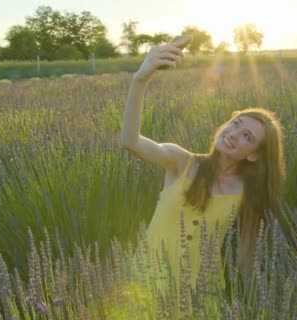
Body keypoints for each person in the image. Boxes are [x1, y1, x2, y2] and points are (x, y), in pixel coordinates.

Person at [119, 35, 288, 301]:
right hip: (147, 290)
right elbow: (130, 142)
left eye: (247, 136)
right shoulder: (182, 162)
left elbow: (245, 260)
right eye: (235, 124)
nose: (233, 134)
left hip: (201, 297)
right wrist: (139, 80)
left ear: (254, 155)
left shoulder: (247, 193)